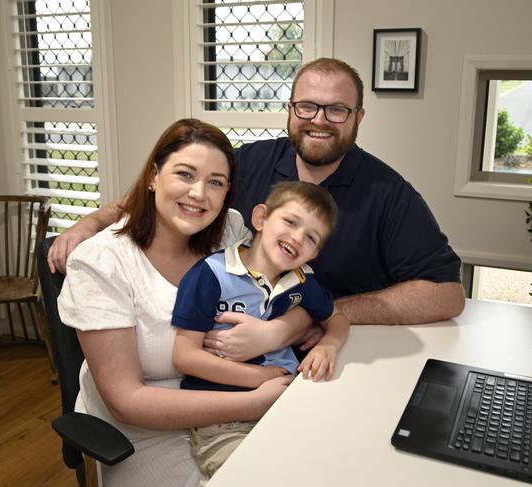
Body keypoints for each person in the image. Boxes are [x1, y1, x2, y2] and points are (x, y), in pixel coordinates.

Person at [49, 57, 465, 359]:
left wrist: (321, 314)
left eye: (337, 109)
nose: (319, 119)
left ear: (358, 116)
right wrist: (93, 222)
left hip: (338, 352)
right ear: (290, 110)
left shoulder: (389, 192)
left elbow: (447, 295)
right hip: (233, 355)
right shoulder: (248, 163)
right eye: (307, 106)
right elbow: (166, 198)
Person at [57, 118, 293, 487]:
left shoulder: (228, 232)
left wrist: (278, 330)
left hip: (234, 402)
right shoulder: (101, 262)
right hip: (144, 429)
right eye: (185, 174)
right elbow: (127, 401)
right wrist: (253, 403)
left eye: (216, 182)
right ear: (154, 175)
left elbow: (292, 296)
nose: (199, 193)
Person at [171, 181, 350, 477]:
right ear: (261, 219)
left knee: (322, 468)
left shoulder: (302, 282)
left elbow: (338, 320)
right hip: (223, 417)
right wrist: (261, 376)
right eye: (290, 222)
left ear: (315, 253)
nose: (296, 238)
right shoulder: (210, 275)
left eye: (310, 237)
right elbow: (185, 357)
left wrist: (328, 344)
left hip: (288, 404)